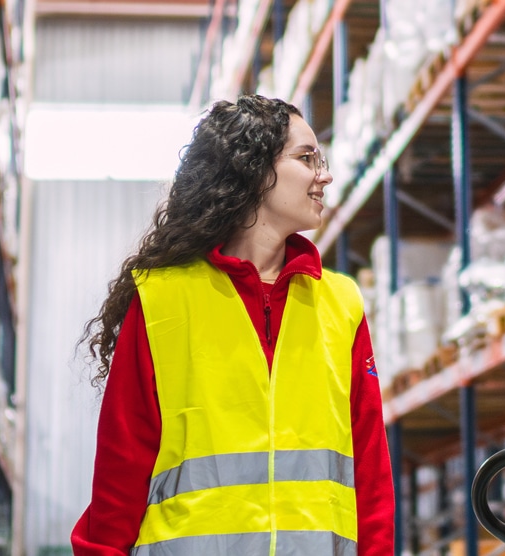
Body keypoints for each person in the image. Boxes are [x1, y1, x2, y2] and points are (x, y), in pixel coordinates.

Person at [72, 94, 395, 555]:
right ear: (255, 169)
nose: (324, 175)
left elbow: (370, 468)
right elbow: (120, 470)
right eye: (306, 158)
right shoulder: (163, 299)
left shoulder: (340, 303)